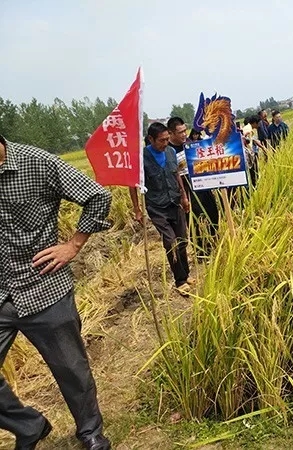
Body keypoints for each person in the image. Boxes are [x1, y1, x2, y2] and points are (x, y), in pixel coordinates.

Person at [0, 134, 112, 449]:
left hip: (44, 287)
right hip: (1, 293)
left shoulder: (38, 163)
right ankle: (29, 426)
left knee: (71, 369)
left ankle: (90, 432)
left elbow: (97, 196)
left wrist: (73, 245)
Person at [129, 122, 193, 296]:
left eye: (167, 139)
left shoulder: (171, 152)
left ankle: (186, 275)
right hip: (157, 207)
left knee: (182, 240)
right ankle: (180, 281)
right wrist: (137, 209)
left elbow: (176, 174)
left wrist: (184, 196)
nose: (165, 143)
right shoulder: (141, 158)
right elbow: (132, 185)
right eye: (161, 140)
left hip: (175, 202)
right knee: (170, 242)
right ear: (151, 139)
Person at [166, 117, 219, 259]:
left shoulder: (190, 145)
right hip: (186, 189)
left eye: (185, 130)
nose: (184, 134)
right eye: (180, 132)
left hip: (202, 184)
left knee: (212, 211)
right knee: (195, 220)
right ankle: (202, 251)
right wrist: (182, 195)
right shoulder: (168, 152)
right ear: (171, 133)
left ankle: (214, 241)